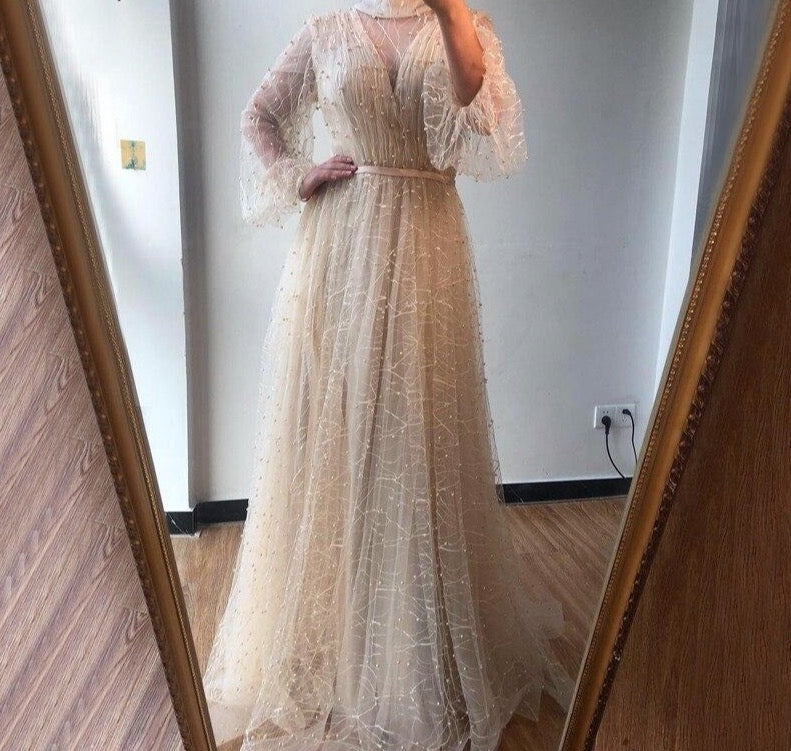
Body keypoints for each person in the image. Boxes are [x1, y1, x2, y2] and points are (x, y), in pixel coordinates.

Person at [203, 1, 575, 749]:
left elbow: (484, 118)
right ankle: (337, 631)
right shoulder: (327, 28)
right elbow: (259, 115)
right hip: (340, 245)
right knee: (338, 433)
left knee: (419, 441)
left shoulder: (466, 24)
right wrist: (296, 174)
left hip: (429, 242)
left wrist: (449, 12)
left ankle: (415, 640)